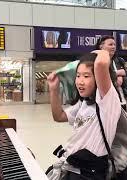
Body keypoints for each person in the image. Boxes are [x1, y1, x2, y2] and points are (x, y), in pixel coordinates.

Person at [46, 51, 121, 179]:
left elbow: (101, 63)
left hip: (89, 173)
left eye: (86, 76)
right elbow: (59, 116)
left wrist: (101, 51)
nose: (80, 81)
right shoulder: (84, 103)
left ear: (98, 78)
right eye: (78, 76)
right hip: (72, 167)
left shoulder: (108, 102)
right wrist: (53, 90)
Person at [95, 35, 127, 111]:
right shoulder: (96, 61)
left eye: (114, 45)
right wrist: (117, 73)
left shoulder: (119, 61)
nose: (113, 47)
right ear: (101, 46)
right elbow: (98, 78)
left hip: (121, 101)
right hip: (104, 104)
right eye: (110, 44)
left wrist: (122, 79)